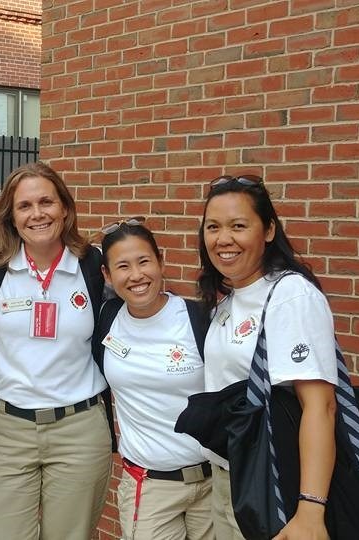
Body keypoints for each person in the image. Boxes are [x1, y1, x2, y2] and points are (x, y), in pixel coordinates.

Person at [197, 174, 337, 540]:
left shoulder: (290, 295)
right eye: (213, 227)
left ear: (269, 230)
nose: (223, 239)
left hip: (276, 484)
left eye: (238, 226)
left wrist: (309, 510)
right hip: (232, 478)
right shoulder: (229, 300)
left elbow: (320, 405)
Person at [0, 162, 113, 540]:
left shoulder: (93, 265)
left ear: (65, 209)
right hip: (7, 429)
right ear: (11, 216)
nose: (37, 214)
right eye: (25, 206)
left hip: (79, 428)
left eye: (46, 202)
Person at [97, 219, 214, 540]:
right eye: (122, 266)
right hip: (149, 488)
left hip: (213, 483)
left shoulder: (200, 318)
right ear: (108, 275)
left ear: (161, 262)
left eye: (144, 261)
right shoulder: (106, 320)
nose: (136, 275)